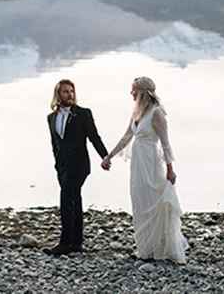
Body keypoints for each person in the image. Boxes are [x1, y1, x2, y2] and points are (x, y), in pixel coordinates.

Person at [102, 76, 188, 263]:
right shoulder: (137, 112)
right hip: (138, 166)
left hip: (151, 164)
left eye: (133, 90)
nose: (131, 93)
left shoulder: (157, 113)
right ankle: (145, 248)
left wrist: (170, 169)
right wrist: (109, 156)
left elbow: (165, 144)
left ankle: (159, 249)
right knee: (140, 203)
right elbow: (126, 137)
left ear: (142, 92)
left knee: (154, 204)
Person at [43, 79, 109, 256]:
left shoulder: (83, 114)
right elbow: (54, 144)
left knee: (66, 199)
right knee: (75, 199)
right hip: (62, 167)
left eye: (71, 91)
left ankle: (65, 243)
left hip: (79, 165)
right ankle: (77, 242)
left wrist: (105, 156)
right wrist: (57, 164)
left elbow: (94, 137)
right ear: (58, 95)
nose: (69, 94)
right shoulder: (51, 118)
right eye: (65, 91)